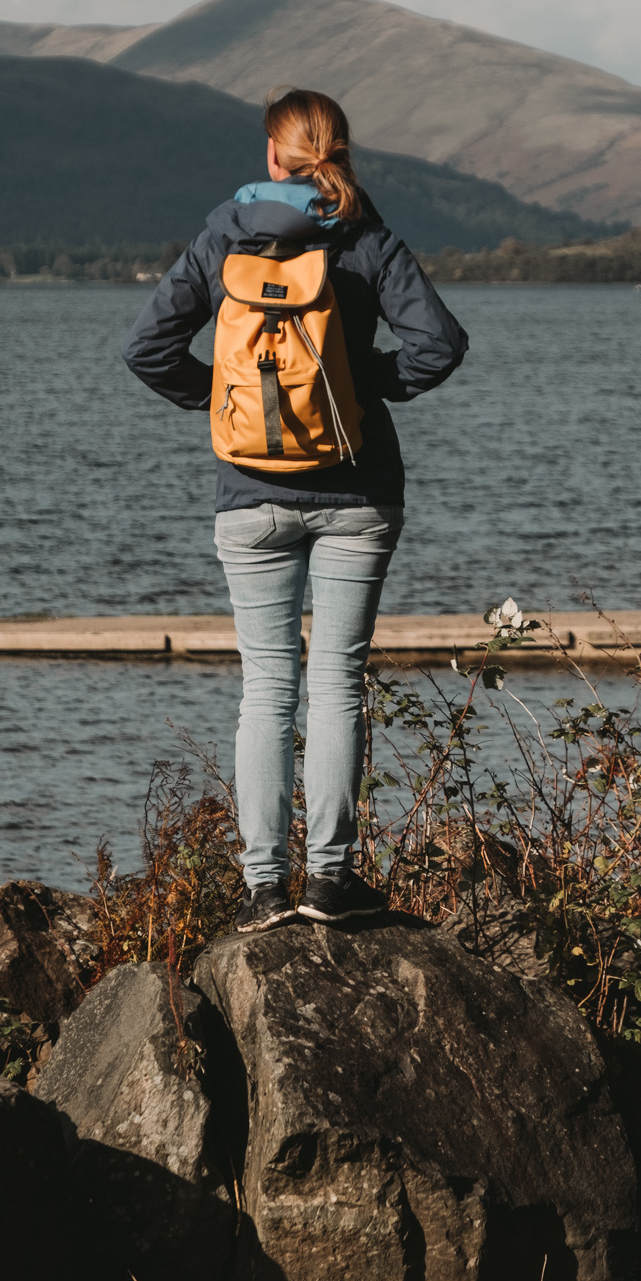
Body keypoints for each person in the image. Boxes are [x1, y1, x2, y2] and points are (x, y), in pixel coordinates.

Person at [122, 87, 468, 931]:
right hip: (357, 493)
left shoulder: (221, 236)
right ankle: (329, 884)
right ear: (338, 154)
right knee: (337, 685)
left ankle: (262, 887)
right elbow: (439, 345)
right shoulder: (364, 235)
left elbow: (144, 348)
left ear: (272, 158)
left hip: (249, 496)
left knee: (266, 687)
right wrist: (365, 388)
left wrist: (221, 402)